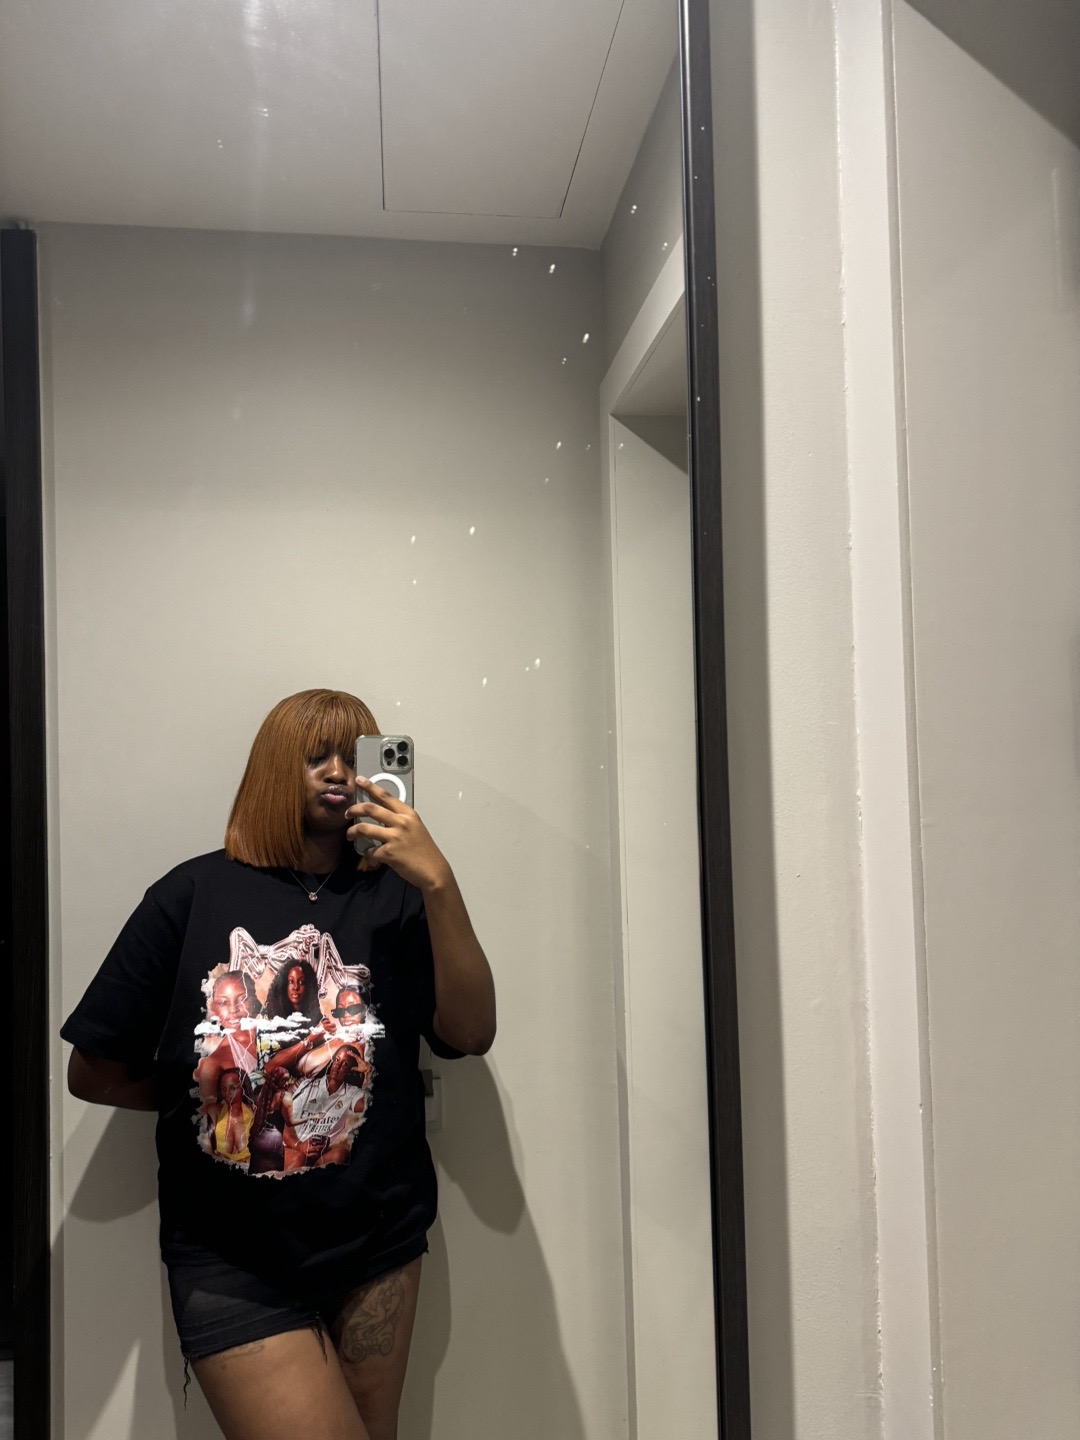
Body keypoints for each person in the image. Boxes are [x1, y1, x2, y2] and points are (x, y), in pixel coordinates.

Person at [62, 688, 496, 1440]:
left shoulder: (398, 899)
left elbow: (472, 1032)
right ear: (271, 767)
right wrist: (220, 1090)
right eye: (314, 755)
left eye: (354, 756)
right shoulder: (191, 895)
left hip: (379, 1240)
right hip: (230, 1254)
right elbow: (93, 1068)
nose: (339, 772)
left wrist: (438, 882)